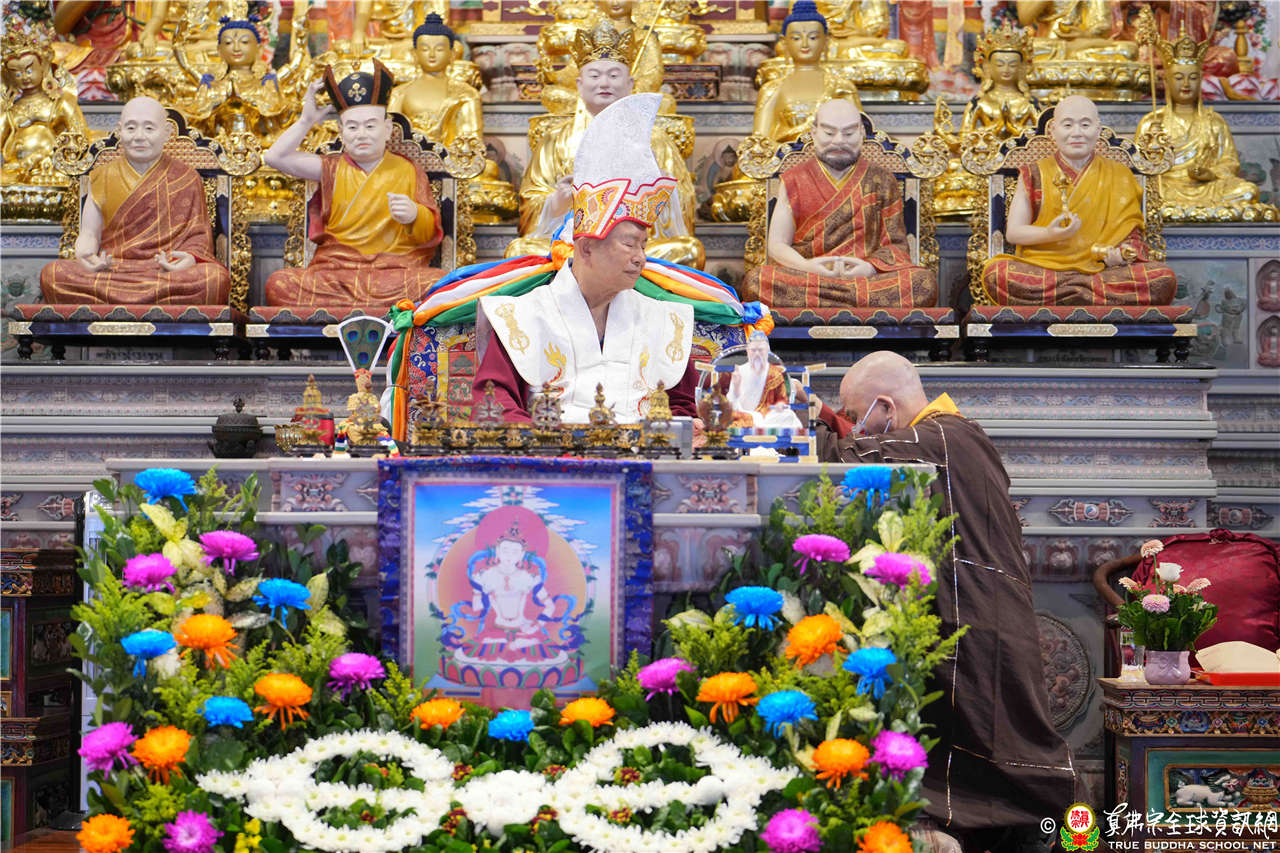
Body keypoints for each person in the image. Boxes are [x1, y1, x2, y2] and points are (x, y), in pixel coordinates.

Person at [816, 351, 1077, 845]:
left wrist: (813, 420)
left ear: (886, 407)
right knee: (985, 738)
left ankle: (1060, 833)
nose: (856, 428)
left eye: (856, 416)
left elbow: (843, 459)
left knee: (1009, 748)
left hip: (980, 610)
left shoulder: (939, 437)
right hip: (986, 601)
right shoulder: (950, 433)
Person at [473, 93, 701, 424]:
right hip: (552, 454)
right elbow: (494, 402)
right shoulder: (522, 316)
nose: (641, 258)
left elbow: (681, 406)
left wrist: (684, 428)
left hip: (642, 452)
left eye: (644, 246)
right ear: (586, 249)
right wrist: (541, 444)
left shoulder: (663, 320)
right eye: (629, 244)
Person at [507, 20, 702, 267]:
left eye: (614, 75)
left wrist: (662, 190)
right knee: (520, 250)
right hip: (573, 244)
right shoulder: (555, 140)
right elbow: (530, 207)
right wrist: (557, 202)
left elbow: (684, 207)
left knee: (689, 250)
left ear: (630, 84)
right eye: (595, 75)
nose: (604, 83)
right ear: (579, 84)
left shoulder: (655, 140)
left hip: (640, 246)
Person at [263, 59, 444, 308]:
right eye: (352, 126)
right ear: (341, 131)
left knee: (438, 283)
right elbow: (274, 157)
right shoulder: (331, 168)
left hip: (394, 271)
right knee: (280, 284)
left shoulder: (408, 169)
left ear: (387, 129)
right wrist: (306, 121)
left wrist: (415, 215)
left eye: (370, 126)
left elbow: (429, 234)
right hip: (337, 272)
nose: (361, 134)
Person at [980, 95, 1177, 306]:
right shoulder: (1034, 173)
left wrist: (1120, 255)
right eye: (1067, 125)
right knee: (996, 274)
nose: (1077, 133)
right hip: (1044, 266)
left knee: (1162, 279)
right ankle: (1087, 294)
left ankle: (1069, 293)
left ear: (1098, 130)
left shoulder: (1120, 175)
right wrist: (1050, 233)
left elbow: (1132, 239)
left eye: (1085, 125)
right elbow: (1014, 233)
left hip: (1102, 270)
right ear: (1053, 131)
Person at [741, 98, 937, 309]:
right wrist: (807, 267)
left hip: (865, 278)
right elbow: (777, 244)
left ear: (862, 133)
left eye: (849, 133)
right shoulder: (794, 179)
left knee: (923, 283)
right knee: (756, 282)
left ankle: (830, 301)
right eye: (829, 133)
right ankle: (854, 301)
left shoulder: (882, 179)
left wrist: (869, 268)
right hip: (810, 276)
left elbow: (896, 245)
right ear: (814, 132)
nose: (839, 141)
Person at [39, 96, 231, 305]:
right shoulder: (103, 176)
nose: (139, 137)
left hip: (165, 271)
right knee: (53, 274)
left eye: (149, 129)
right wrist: (87, 255)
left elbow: (198, 238)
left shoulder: (186, 178)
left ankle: (116, 301)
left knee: (214, 279)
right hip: (113, 269)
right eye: (131, 128)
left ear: (166, 133)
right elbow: (89, 233)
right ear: (119, 131)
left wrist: (189, 259)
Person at [725, 330, 802, 429]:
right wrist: (735, 389)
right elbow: (732, 404)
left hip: (770, 416)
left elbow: (782, 399)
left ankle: (760, 428)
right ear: (747, 352)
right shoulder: (739, 371)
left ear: (767, 352)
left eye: (761, 350)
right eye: (753, 350)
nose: (757, 354)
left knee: (788, 415)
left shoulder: (775, 373)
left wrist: (780, 405)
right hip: (747, 415)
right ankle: (763, 428)